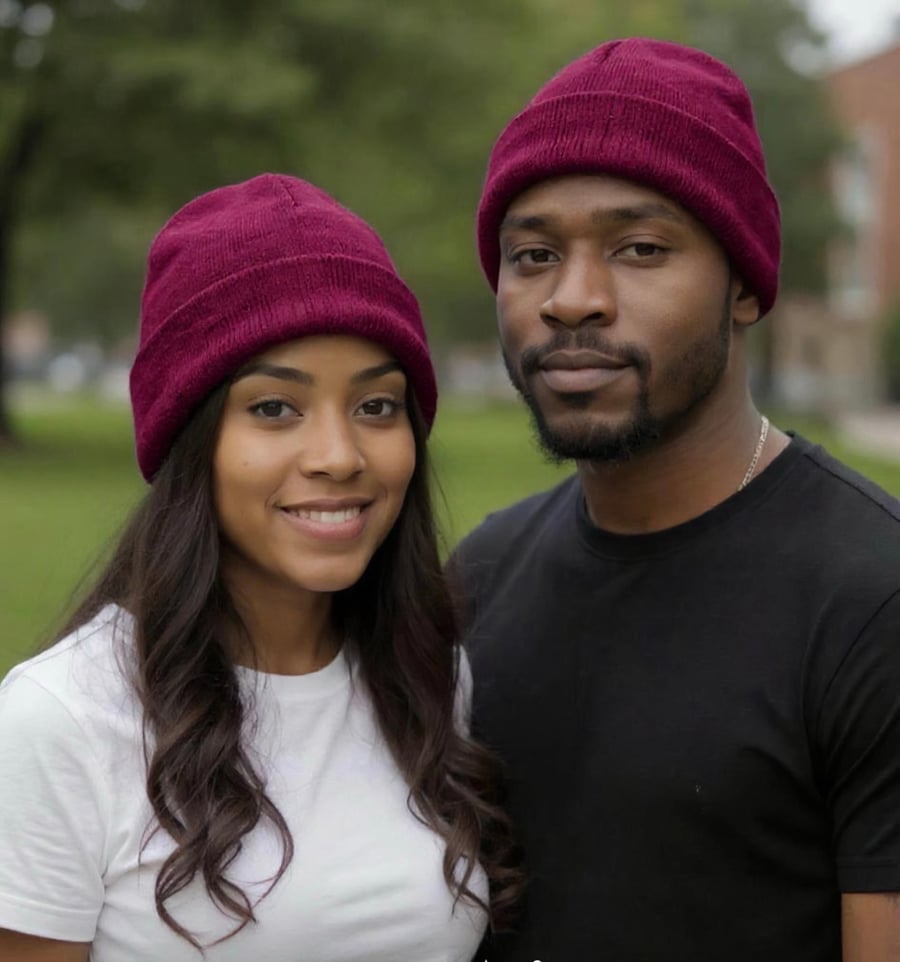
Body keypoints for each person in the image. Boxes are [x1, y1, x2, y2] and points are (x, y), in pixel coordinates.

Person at [452, 37, 900, 962]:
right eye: (533, 253)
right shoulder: (478, 578)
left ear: (743, 285)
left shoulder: (872, 601)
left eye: (641, 248)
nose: (572, 300)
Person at [0, 174, 521, 962]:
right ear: (191, 438)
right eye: (275, 408)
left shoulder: (431, 676)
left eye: (377, 406)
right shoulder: (63, 720)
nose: (340, 457)